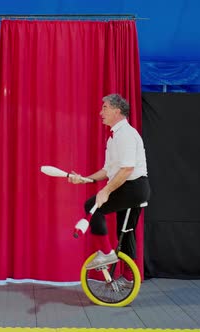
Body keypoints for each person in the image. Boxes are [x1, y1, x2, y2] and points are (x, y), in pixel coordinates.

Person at [69, 94, 150, 271]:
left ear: (117, 110)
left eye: (104, 108)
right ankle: (128, 278)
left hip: (134, 186)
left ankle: (106, 253)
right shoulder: (114, 137)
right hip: (130, 186)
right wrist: (85, 179)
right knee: (125, 232)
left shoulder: (126, 134)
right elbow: (108, 171)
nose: (100, 112)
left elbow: (127, 169)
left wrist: (105, 192)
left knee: (92, 205)